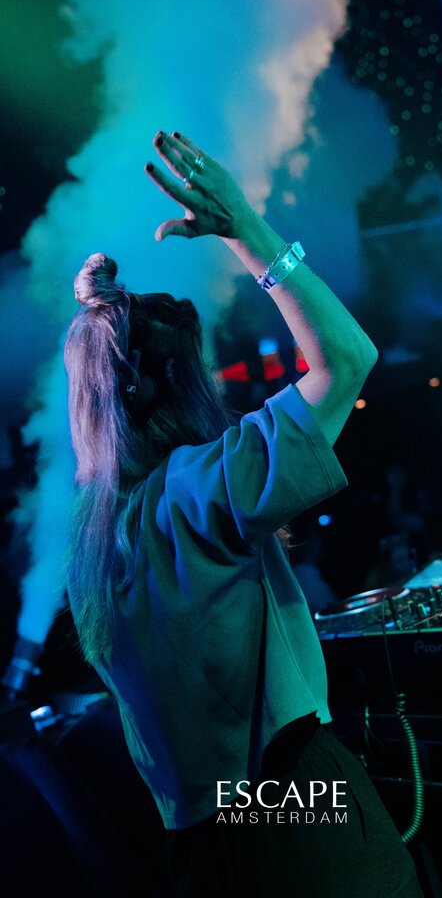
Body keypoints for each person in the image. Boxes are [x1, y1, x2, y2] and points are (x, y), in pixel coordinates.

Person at [64, 130, 422, 897]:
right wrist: (248, 232)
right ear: (166, 383)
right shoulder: (196, 488)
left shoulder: (92, 545)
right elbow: (347, 361)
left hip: (201, 847)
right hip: (294, 808)